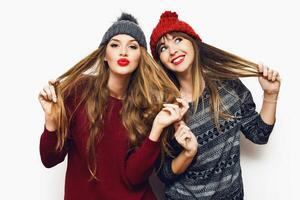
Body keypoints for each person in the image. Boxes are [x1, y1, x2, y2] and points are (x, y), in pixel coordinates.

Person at [39, 13, 187, 200]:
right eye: (115, 45)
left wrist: (157, 128)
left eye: (132, 46)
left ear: (140, 57)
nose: (123, 52)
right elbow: (50, 159)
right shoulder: (77, 92)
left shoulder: (147, 106)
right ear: (104, 56)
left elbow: (134, 178)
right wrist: (51, 122)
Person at [150, 11, 281, 200]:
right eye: (163, 48)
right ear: (160, 60)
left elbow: (259, 135)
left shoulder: (228, 86)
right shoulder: (167, 109)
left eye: (178, 40)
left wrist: (271, 95)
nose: (172, 50)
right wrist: (188, 153)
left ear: (193, 43)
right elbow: (164, 174)